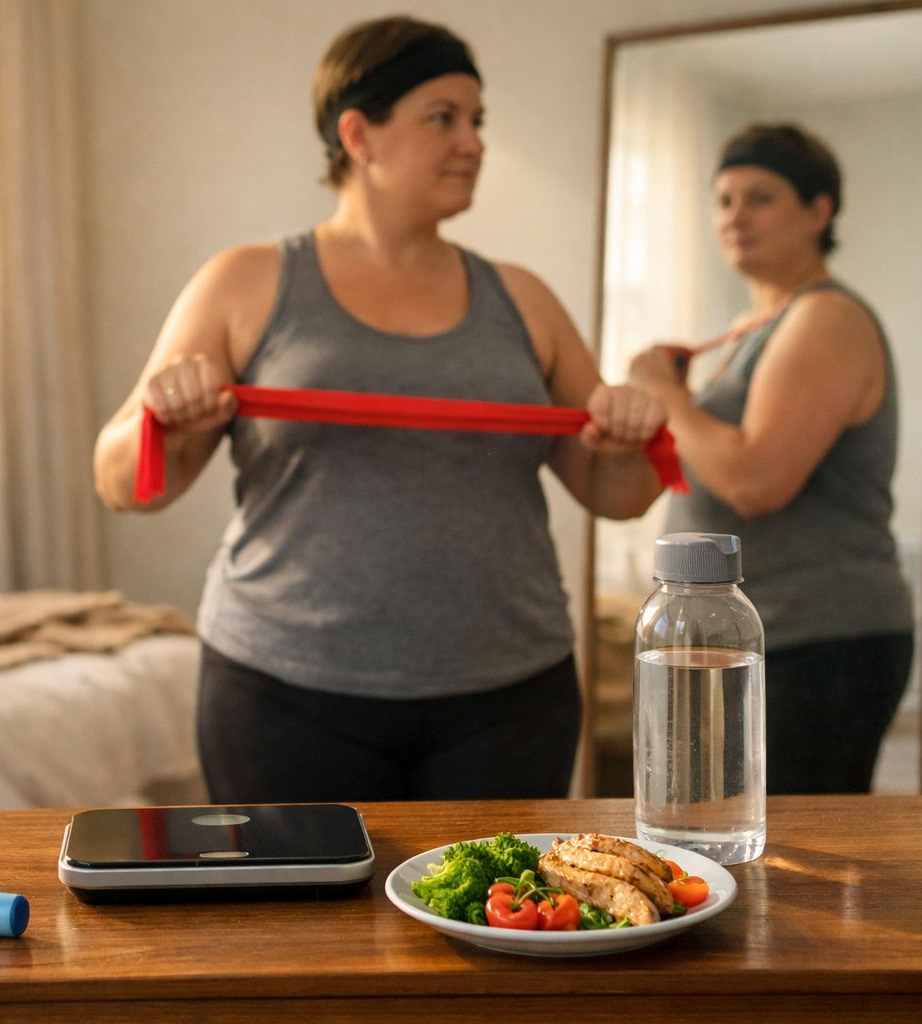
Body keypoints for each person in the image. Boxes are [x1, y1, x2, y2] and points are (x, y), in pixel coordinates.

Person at [93, 15, 667, 803]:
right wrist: (168, 418)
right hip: (284, 692)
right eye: (444, 118)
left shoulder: (524, 299)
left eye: (478, 120)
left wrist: (631, 436)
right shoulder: (246, 281)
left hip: (507, 695)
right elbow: (125, 484)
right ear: (358, 134)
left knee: (493, 925)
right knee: (303, 927)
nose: (474, 142)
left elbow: (619, 495)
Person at [627, 123, 915, 795]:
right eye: (724, 200)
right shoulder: (750, 331)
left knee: (793, 863)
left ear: (819, 211)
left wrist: (666, 393)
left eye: (760, 198)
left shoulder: (826, 318)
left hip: (819, 641)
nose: (735, 217)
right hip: (764, 640)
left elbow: (754, 480)